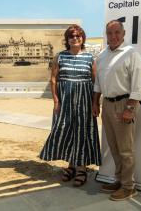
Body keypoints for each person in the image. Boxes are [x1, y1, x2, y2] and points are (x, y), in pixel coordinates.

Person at [40, 24, 101, 187]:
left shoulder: (89, 58)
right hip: (65, 101)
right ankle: (71, 165)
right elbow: (54, 79)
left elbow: (96, 82)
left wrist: (96, 103)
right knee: (65, 130)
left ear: (83, 38)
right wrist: (56, 100)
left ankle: (81, 168)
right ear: (67, 39)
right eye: (72, 36)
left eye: (78, 35)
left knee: (82, 132)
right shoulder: (59, 56)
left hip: (85, 103)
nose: (75, 38)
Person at [92, 20, 141, 201]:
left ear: (123, 34)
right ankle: (119, 180)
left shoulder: (131, 54)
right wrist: (95, 103)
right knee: (114, 147)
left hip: (124, 104)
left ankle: (129, 187)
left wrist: (130, 109)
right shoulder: (102, 55)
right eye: (110, 33)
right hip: (107, 105)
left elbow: (138, 85)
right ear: (106, 35)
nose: (113, 36)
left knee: (125, 149)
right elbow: (98, 83)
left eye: (117, 32)